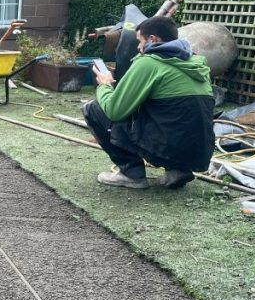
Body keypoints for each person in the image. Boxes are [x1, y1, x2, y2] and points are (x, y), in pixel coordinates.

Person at [82, 16, 214, 190]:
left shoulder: (149, 62)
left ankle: (131, 174)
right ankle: (177, 169)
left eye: (140, 41)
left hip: (166, 147)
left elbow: (115, 111)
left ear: (152, 39)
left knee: (94, 108)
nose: (138, 48)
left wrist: (105, 85)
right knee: (166, 109)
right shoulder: (196, 62)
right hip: (200, 154)